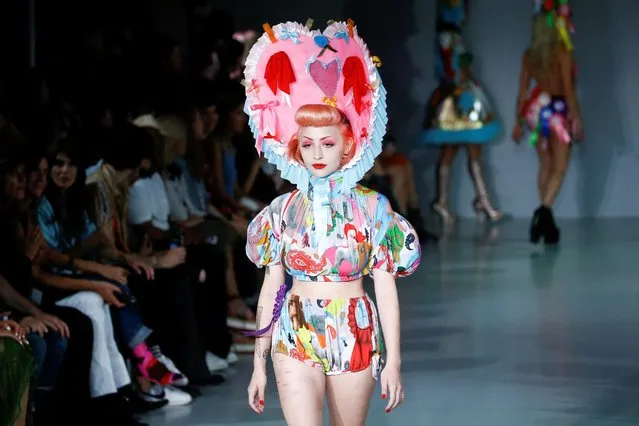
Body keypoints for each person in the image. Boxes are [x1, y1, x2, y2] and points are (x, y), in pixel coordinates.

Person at [242, 21, 422, 425]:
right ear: (296, 147)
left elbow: (385, 285)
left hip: (353, 327)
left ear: (347, 146)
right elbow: (272, 284)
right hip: (295, 328)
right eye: (307, 144)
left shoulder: (373, 208)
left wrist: (394, 360)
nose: (316, 154)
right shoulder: (282, 210)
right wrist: (259, 364)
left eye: (327, 144)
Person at [421, 0, 503, 223]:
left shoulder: (453, 37)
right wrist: (463, 79)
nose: (465, 12)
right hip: (458, 97)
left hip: (461, 94)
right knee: (459, 147)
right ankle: (475, 202)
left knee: (462, 147)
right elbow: (450, 70)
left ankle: (463, 201)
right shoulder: (448, 37)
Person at [512, 0, 583, 244]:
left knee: (546, 165)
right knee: (560, 167)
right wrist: (578, 119)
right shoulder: (562, 52)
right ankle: (542, 214)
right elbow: (568, 90)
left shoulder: (529, 55)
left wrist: (517, 122)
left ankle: (547, 223)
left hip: (536, 111)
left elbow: (522, 93)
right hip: (558, 112)